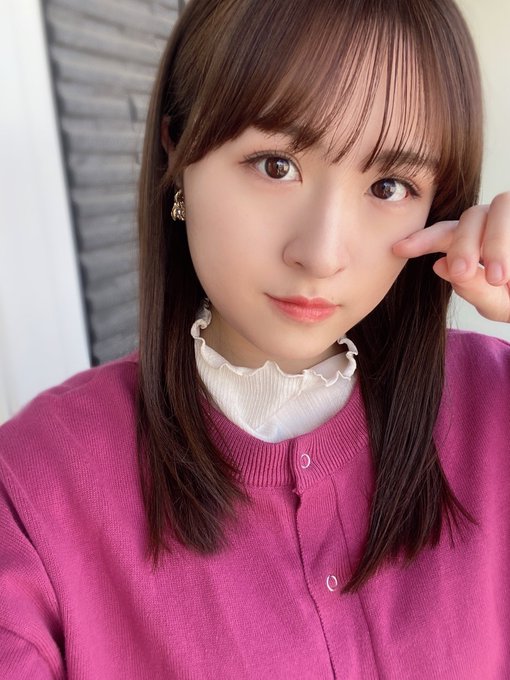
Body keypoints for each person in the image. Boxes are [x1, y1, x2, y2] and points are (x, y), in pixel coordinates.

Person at [1, 0, 509, 677]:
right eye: (275, 165)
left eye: (389, 185)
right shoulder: (36, 485)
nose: (322, 254)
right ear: (178, 149)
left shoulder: (494, 406)